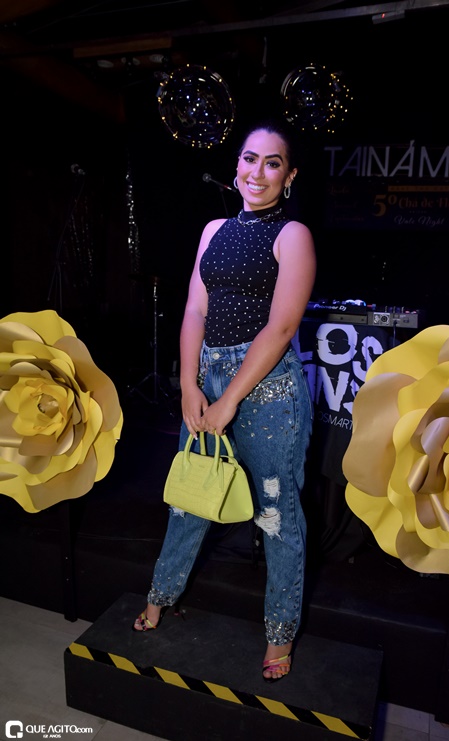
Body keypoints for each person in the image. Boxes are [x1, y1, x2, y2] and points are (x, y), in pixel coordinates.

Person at [133, 119, 317, 683]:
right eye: (249, 158)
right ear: (236, 166)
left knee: (275, 513)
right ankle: (160, 596)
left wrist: (229, 400)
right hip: (208, 379)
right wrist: (189, 384)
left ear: (288, 176)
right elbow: (195, 309)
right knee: (190, 497)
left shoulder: (292, 234)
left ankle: (279, 634)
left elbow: (281, 328)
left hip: (268, 390)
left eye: (272, 162)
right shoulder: (214, 229)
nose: (257, 171)